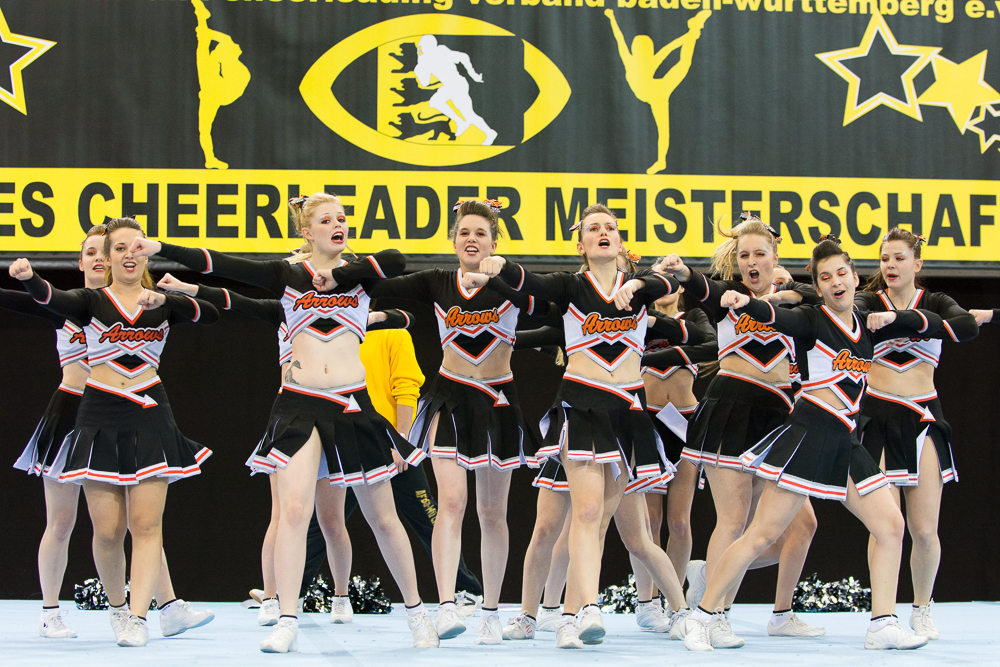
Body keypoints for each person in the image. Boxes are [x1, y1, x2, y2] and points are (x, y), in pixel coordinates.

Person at [130, 193, 439, 651]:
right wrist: (160, 248)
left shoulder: (361, 276)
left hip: (352, 405)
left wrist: (339, 276)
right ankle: (288, 618)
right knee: (294, 511)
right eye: (326, 220)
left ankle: (417, 613)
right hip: (299, 404)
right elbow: (221, 265)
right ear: (307, 231)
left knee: (383, 517)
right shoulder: (287, 275)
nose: (338, 225)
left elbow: (396, 259)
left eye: (342, 218)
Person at [682, 236, 959, 651]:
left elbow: (950, 326)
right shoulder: (811, 320)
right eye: (825, 278)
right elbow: (772, 314)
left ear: (855, 277)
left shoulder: (869, 321)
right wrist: (747, 302)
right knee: (761, 534)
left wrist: (902, 318)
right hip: (810, 434)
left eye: (841, 273)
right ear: (818, 286)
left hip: (845, 440)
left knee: (890, 526)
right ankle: (702, 617)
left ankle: (882, 624)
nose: (835, 282)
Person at [465, 203, 682, 647]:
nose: (603, 233)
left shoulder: (640, 291)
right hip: (580, 414)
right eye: (593, 229)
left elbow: (672, 283)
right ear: (580, 244)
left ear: (619, 241)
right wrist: (500, 266)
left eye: (610, 228)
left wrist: (640, 283)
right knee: (557, 525)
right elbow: (531, 282)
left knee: (632, 534)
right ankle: (555, 613)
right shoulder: (571, 286)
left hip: (626, 419)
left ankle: (679, 613)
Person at [9, 217, 219, 648]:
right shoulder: (81, 302)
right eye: (108, 250)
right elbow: (41, 298)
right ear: (96, 259)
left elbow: (210, 314)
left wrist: (176, 293)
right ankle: (61, 610)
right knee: (85, 526)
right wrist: (29, 277)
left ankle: (152, 611)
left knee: (144, 523)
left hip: (146, 411)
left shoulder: (155, 302)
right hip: (83, 411)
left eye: (133, 247)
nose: (119, 256)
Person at [370, 199, 550, 644]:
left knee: (492, 513)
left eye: (480, 233)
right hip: (450, 399)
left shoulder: (511, 283)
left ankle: (490, 612)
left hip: (497, 401)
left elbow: (550, 304)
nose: (471, 239)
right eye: (464, 233)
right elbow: (382, 283)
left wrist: (505, 274)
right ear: (453, 242)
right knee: (451, 502)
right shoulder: (437, 281)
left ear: (494, 243)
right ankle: (447, 603)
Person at [660, 213, 824, 645]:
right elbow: (703, 288)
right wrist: (683, 273)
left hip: (779, 419)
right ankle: (712, 615)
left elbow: (824, 298)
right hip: (733, 409)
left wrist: (789, 289)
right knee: (733, 522)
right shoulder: (729, 296)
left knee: (801, 525)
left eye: (760, 254)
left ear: (775, 257)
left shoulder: (797, 302)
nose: (752, 262)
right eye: (744, 255)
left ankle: (761, 604)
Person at [856, 228, 980, 639]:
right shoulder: (869, 301)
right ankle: (883, 615)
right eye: (884, 259)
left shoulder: (936, 302)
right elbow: (843, 312)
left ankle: (922, 608)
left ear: (917, 263)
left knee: (924, 530)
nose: (890, 266)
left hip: (924, 417)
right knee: (885, 525)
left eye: (899, 258)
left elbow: (966, 326)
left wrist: (903, 320)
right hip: (878, 417)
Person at [635, 265, 718, 629]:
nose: (666, 287)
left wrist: (654, 353)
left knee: (680, 522)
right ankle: (647, 603)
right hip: (649, 422)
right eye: (658, 281)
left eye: (672, 281)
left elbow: (710, 343)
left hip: (685, 424)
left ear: (681, 288)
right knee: (650, 520)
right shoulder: (640, 319)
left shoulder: (693, 318)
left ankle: (676, 604)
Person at [605, 9, 711, 174]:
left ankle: (661, 161)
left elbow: (670, 47)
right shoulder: (633, 59)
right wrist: (611, 17)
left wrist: (691, 35)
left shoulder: (645, 60)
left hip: (657, 92)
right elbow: (619, 37)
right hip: (655, 92)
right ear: (636, 49)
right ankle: (695, 27)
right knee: (683, 64)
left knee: (684, 64)